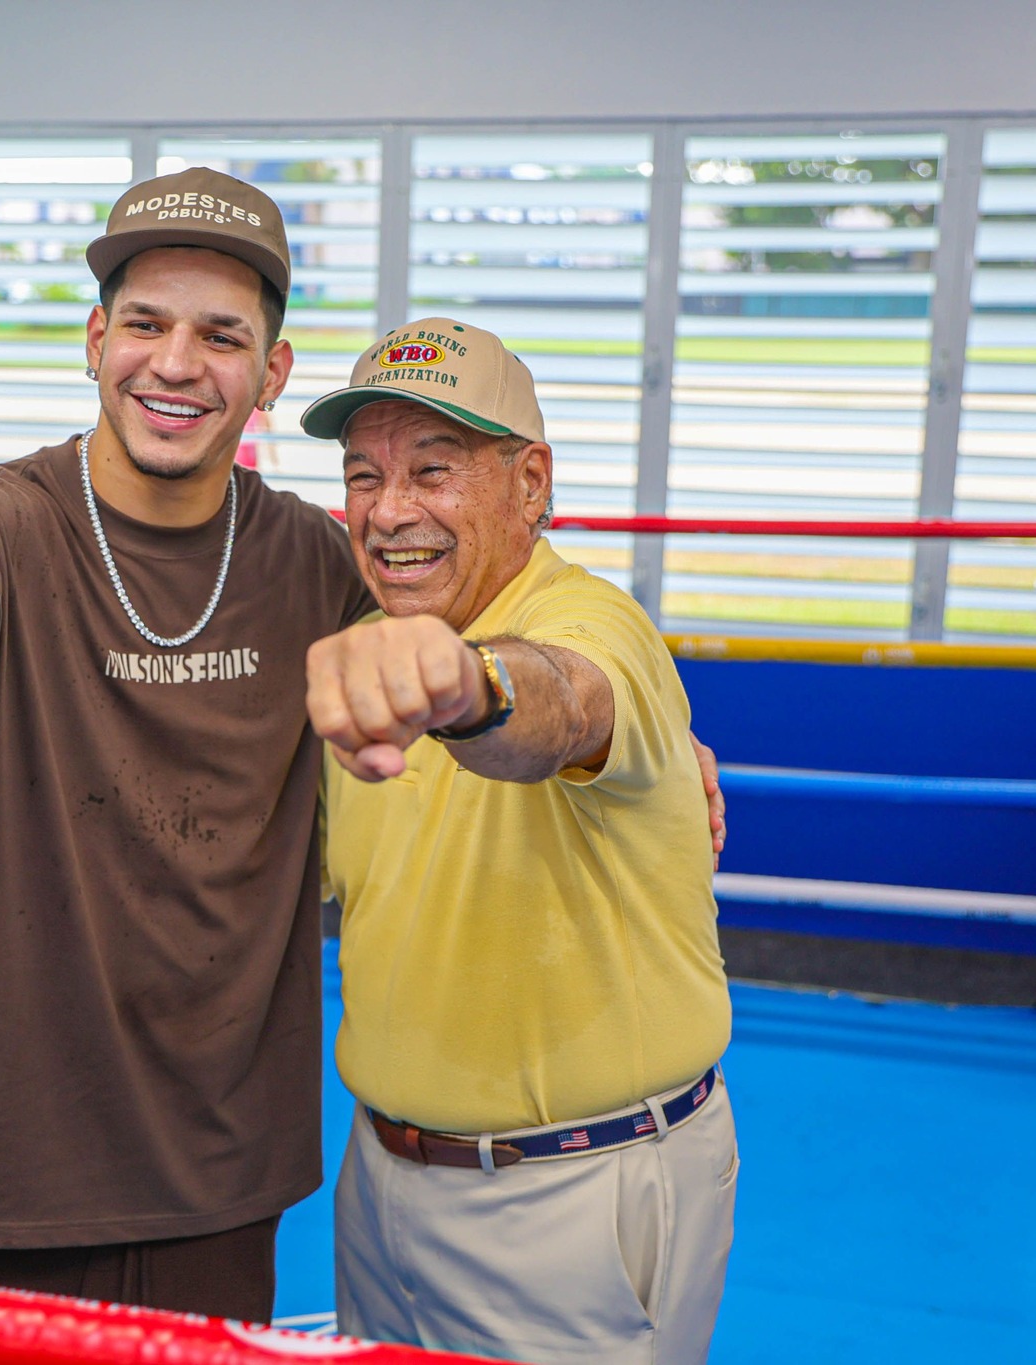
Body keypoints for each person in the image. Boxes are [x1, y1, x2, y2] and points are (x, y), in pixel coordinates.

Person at [0, 167, 370, 1322]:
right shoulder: (5, 519)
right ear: (95, 339)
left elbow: (497, 645)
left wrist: (638, 715)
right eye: (144, 325)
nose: (174, 364)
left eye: (220, 335)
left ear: (271, 374)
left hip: (212, 1171)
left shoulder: (316, 563)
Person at [302, 319, 736, 1365]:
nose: (390, 509)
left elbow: (560, 704)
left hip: (572, 1196)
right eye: (363, 477)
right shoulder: (360, 650)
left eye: (433, 471)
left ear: (529, 484)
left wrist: (467, 687)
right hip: (378, 1176)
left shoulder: (592, 622)